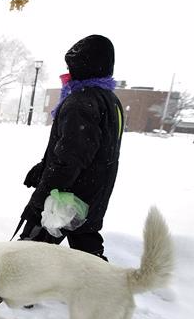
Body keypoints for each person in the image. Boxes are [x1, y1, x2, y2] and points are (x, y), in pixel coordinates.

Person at [18, 34, 124, 259]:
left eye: (71, 66)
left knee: (24, 255)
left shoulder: (80, 102)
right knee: (88, 251)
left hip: (64, 200)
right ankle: (102, 289)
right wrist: (43, 166)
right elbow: (87, 150)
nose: (68, 72)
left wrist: (38, 203)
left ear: (84, 67)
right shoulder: (110, 100)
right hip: (92, 196)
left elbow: (70, 160)